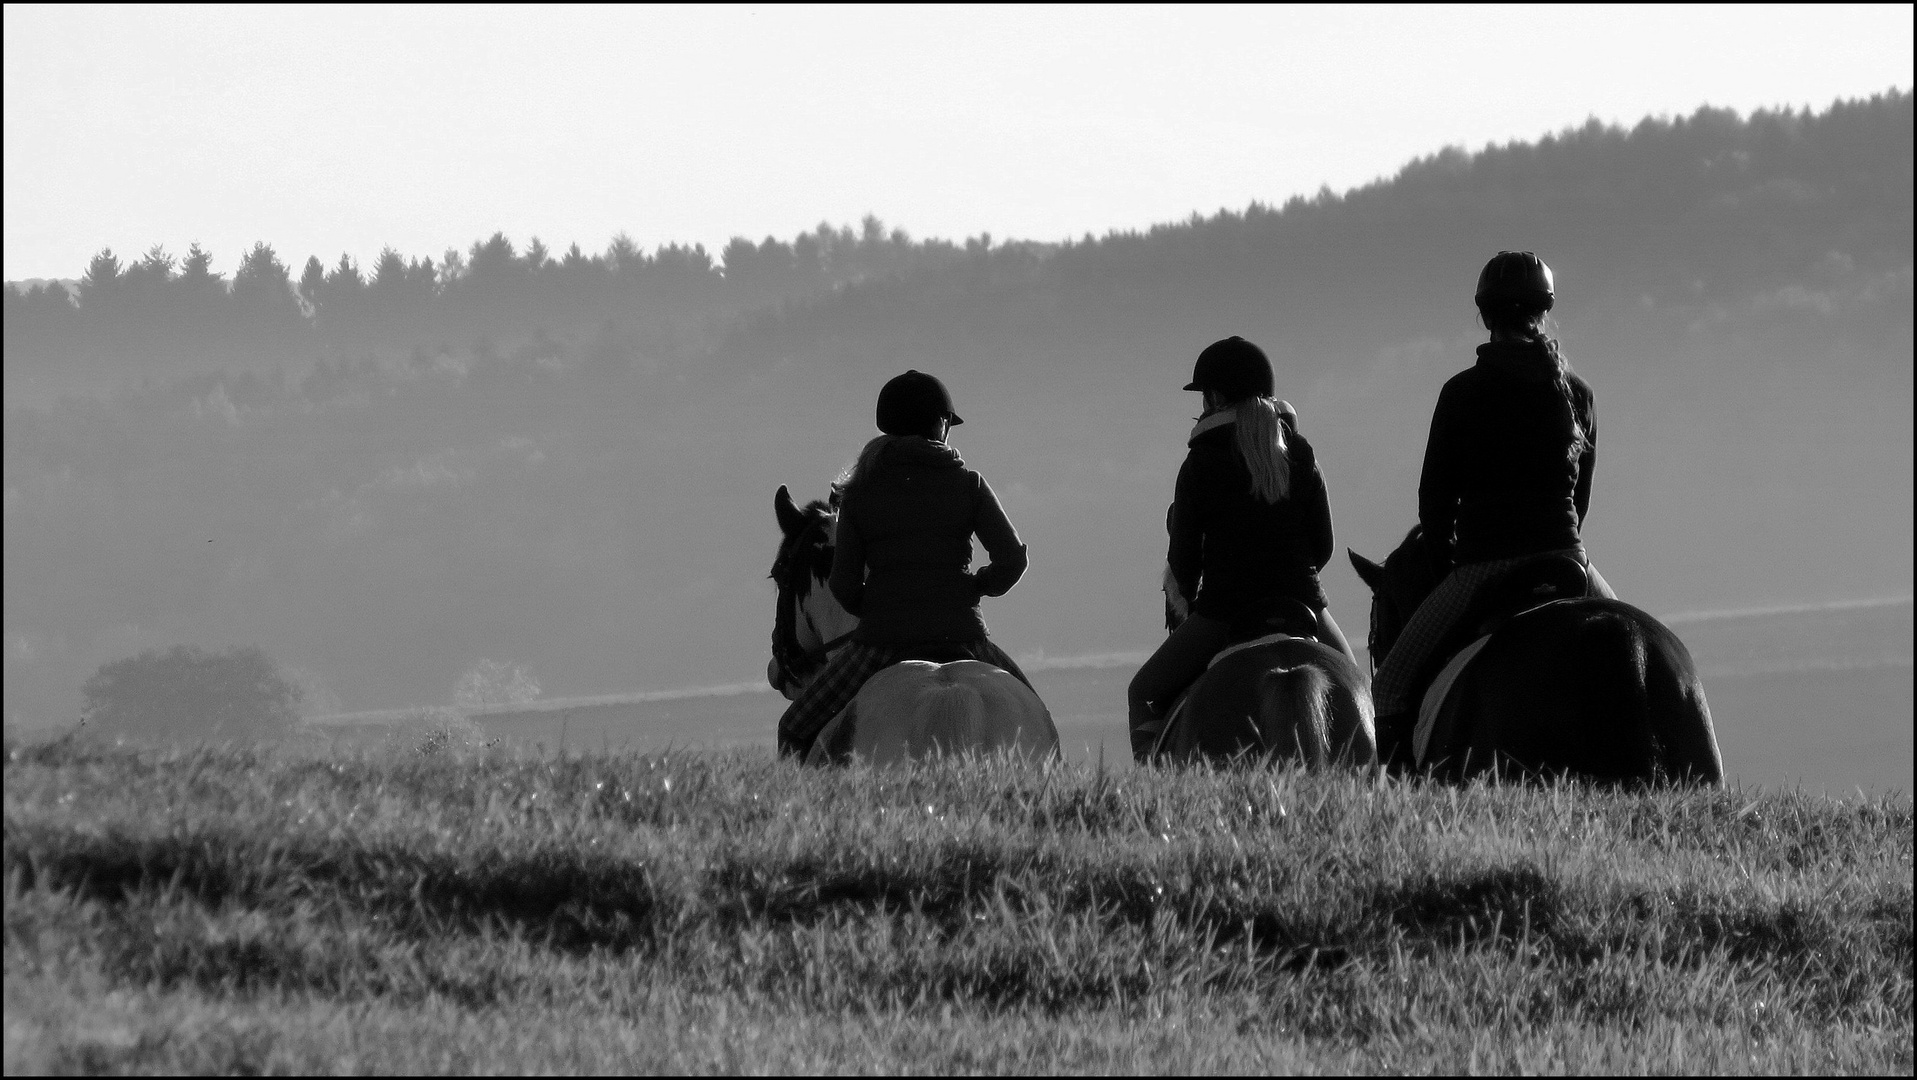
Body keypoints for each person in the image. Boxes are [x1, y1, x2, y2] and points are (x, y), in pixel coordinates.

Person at [1369, 251, 1617, 750]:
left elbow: (1434, 504)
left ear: (1484, 315)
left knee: (1390, 687)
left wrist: (1447, 559)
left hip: (1485, 565)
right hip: (1567, 558)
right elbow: (1581, 498)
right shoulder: (1578, 393)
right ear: (1544, 311)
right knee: (1633, 642)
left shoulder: (1461, 392)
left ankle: (1401, 805)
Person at [776, 369, 1035, 759]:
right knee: (1036, 715)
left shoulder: (859, 493)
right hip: (962, 634)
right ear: (942, 424)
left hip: (882, 642)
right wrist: (975, 588)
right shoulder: (969, 484)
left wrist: (883, 607)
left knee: (793, 728)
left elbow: (843, 585)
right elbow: (1012, 560)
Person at [1127, 336, 1358, 761]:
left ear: (1214, 396)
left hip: (1224, 611)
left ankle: (1153, 784)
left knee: (1141, 692)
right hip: (1304, 601)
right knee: (1360, 690)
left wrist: (1193, 600)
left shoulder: (1198, 464)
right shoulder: (1302, 453)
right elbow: (1321, 546)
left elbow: (1182, 565)